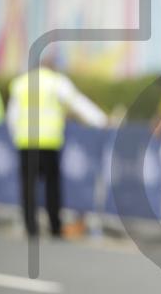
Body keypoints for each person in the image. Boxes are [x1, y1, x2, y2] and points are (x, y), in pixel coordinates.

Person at [7, 64, 107, 238]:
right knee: (52, 187)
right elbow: (78, 103)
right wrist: (101, 120)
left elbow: (12, 116)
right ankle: (54, 226)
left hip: (26, 142)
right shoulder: (56, 82)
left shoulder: (21, 83)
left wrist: (15, 136)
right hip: (49, 143)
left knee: (28, 187)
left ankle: (31, 227)